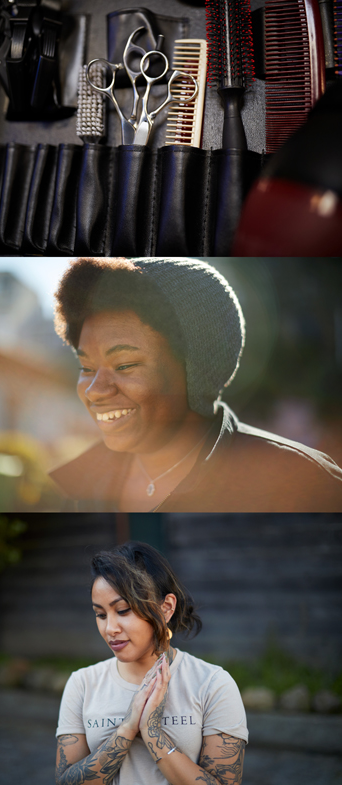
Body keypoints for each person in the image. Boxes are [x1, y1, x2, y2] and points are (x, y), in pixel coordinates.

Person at [48, 257, 342, 511]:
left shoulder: (304, 484)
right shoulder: (75, 487)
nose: (94, 390)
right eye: (86, 367)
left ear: (197, 367)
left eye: (124, 365)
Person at [56, 541, 248, 785]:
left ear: (166, 608)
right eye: (101, 614)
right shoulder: (83, 684)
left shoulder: (212, 685)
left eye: (123, 610)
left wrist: (152, 731)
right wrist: (127, 728)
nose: (109, 629)